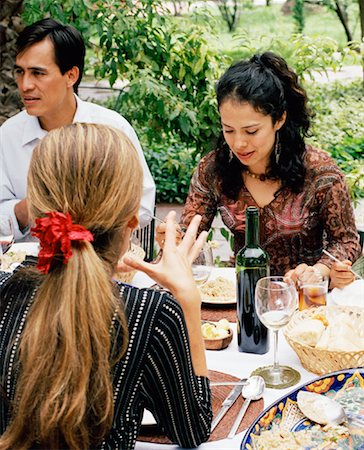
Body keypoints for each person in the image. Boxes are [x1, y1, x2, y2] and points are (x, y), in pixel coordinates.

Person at [0, 123, 212, 450]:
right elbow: (194, 429)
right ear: (132, 218)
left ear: (38, 211)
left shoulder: (5, 291)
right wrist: (187, 301)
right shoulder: (150, 315)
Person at [178, 52, 361, 289]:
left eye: (251, 131)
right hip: (239, 294)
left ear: (279, 120)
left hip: (305, 299)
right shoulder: (214, 169)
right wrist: (175, 238)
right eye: (228, 130)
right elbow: (189, 232)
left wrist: (319, 271)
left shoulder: (319, 171)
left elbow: (347, 241)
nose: (239, 143)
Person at [0, 18, 155, 242]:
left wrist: (88, 215)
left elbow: (142, 206)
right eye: (20, 72)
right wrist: (32, 206)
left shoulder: (112, 128)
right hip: (29, 270)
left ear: (71, 75)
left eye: (38, 73)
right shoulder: (8, 135)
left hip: (100, 265)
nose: (25, 85)